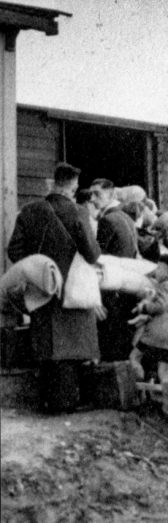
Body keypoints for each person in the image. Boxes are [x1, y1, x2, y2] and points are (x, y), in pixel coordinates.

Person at [7, 163, 101, 413]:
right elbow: (92, 254)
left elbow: (14, 250)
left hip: (41, 288)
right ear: (73, 187)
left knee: (46, 345)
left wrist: (38, 269)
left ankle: (47, 401)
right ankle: (66, 403)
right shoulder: (78, 212)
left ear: (53, 183)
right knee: (70, 348)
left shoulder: (29, 211)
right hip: (71, 287)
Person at [89, 178, 140, 362]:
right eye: (91, 194)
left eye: (97, 194)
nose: (92, 199)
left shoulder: (107, 221)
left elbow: (97, 258)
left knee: (110, 347)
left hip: (112, 292)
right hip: (127, 291)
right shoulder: (126, 218)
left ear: (111, 195)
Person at [128, 253, 168, 414]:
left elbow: (160, 306)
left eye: (159, 268)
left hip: (155, 333)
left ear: (167, 270)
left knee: (134, 357)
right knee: (164, 371)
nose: (156, 272)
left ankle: (139, 392)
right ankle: (167, 408)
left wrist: (144, 307)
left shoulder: (165, 286)